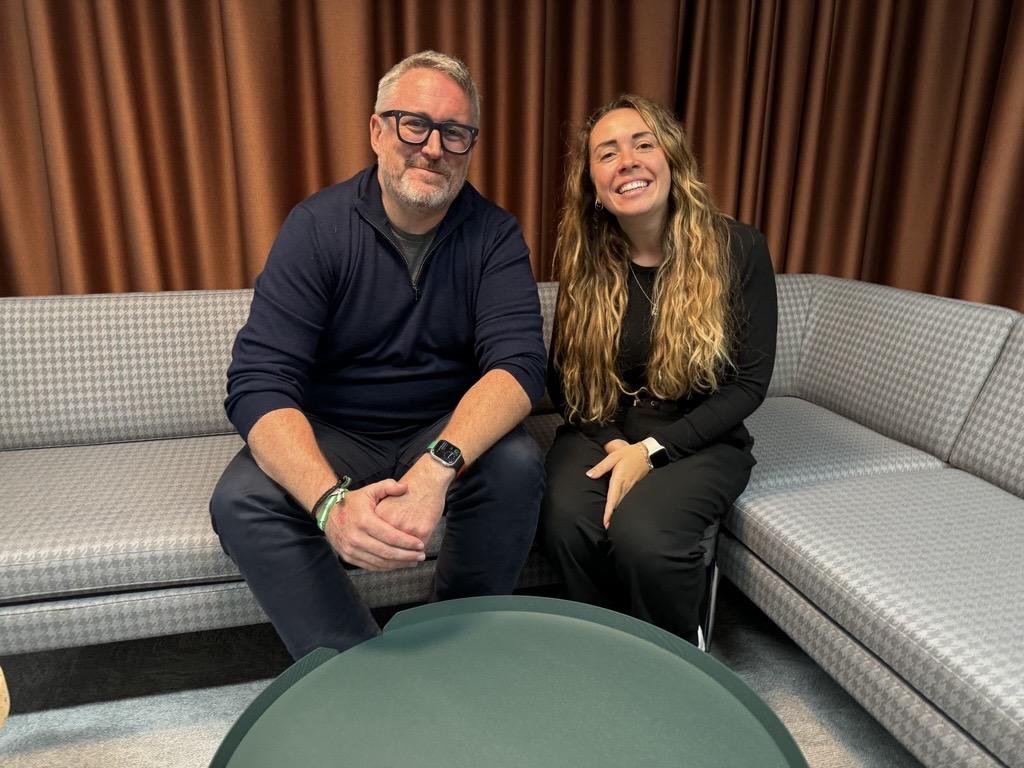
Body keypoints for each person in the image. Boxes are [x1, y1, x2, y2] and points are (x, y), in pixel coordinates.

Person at [210, 51, 546, 660]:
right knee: (240, 500)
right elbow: (259, 381)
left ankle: (459, 646)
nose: (432, 147)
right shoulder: (316, 226)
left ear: (471, 144)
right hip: (335, 430)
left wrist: (438, 466)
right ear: (376, 130)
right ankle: (355, 667)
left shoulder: (494, 234)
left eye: (454, 132)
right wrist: (330, 502)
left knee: (518, 464)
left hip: (440, 427)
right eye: (413, 124)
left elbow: (519, 366)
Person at [541, 94, 777, 645]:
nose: (627, 160)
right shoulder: (584, 259)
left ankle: (674, 656)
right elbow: (565, 381)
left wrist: (652, 453)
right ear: (593, 183)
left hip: (700, 435)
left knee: (644, 535)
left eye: (643, 144)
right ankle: (605, 645)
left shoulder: (738, 247)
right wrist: (616, 447)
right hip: (603, 428)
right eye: (607, 152)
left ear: (672, 159)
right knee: (565, 520)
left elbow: (748, 383)